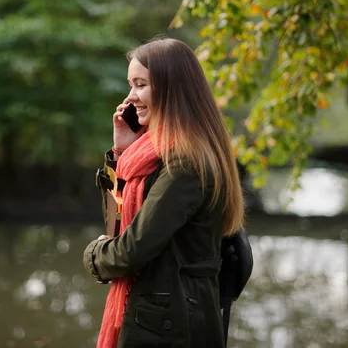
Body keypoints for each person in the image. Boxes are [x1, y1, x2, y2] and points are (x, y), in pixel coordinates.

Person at [83, 37, 245, 348]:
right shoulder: (154, 158)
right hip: (164, 320)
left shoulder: (186, 164)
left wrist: (93, 254)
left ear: (172, 90)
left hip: (171, 329)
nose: (130, 97)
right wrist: (120, 154)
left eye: (141, 85)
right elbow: (117, 229)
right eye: (131, 85)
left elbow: (129, 252)